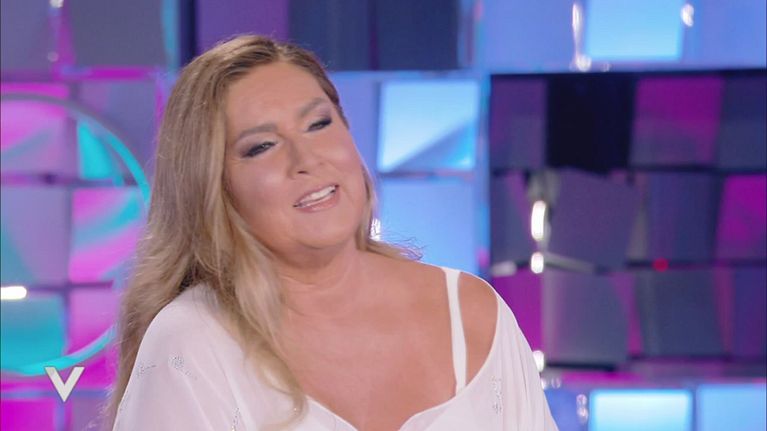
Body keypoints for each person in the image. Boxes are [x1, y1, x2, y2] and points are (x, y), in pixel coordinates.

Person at [104, 34, 558, 431]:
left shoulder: (473, 313)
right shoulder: (191, 343)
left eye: (319, 124)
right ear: (213, 186)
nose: (307, 159)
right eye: (262, 146)